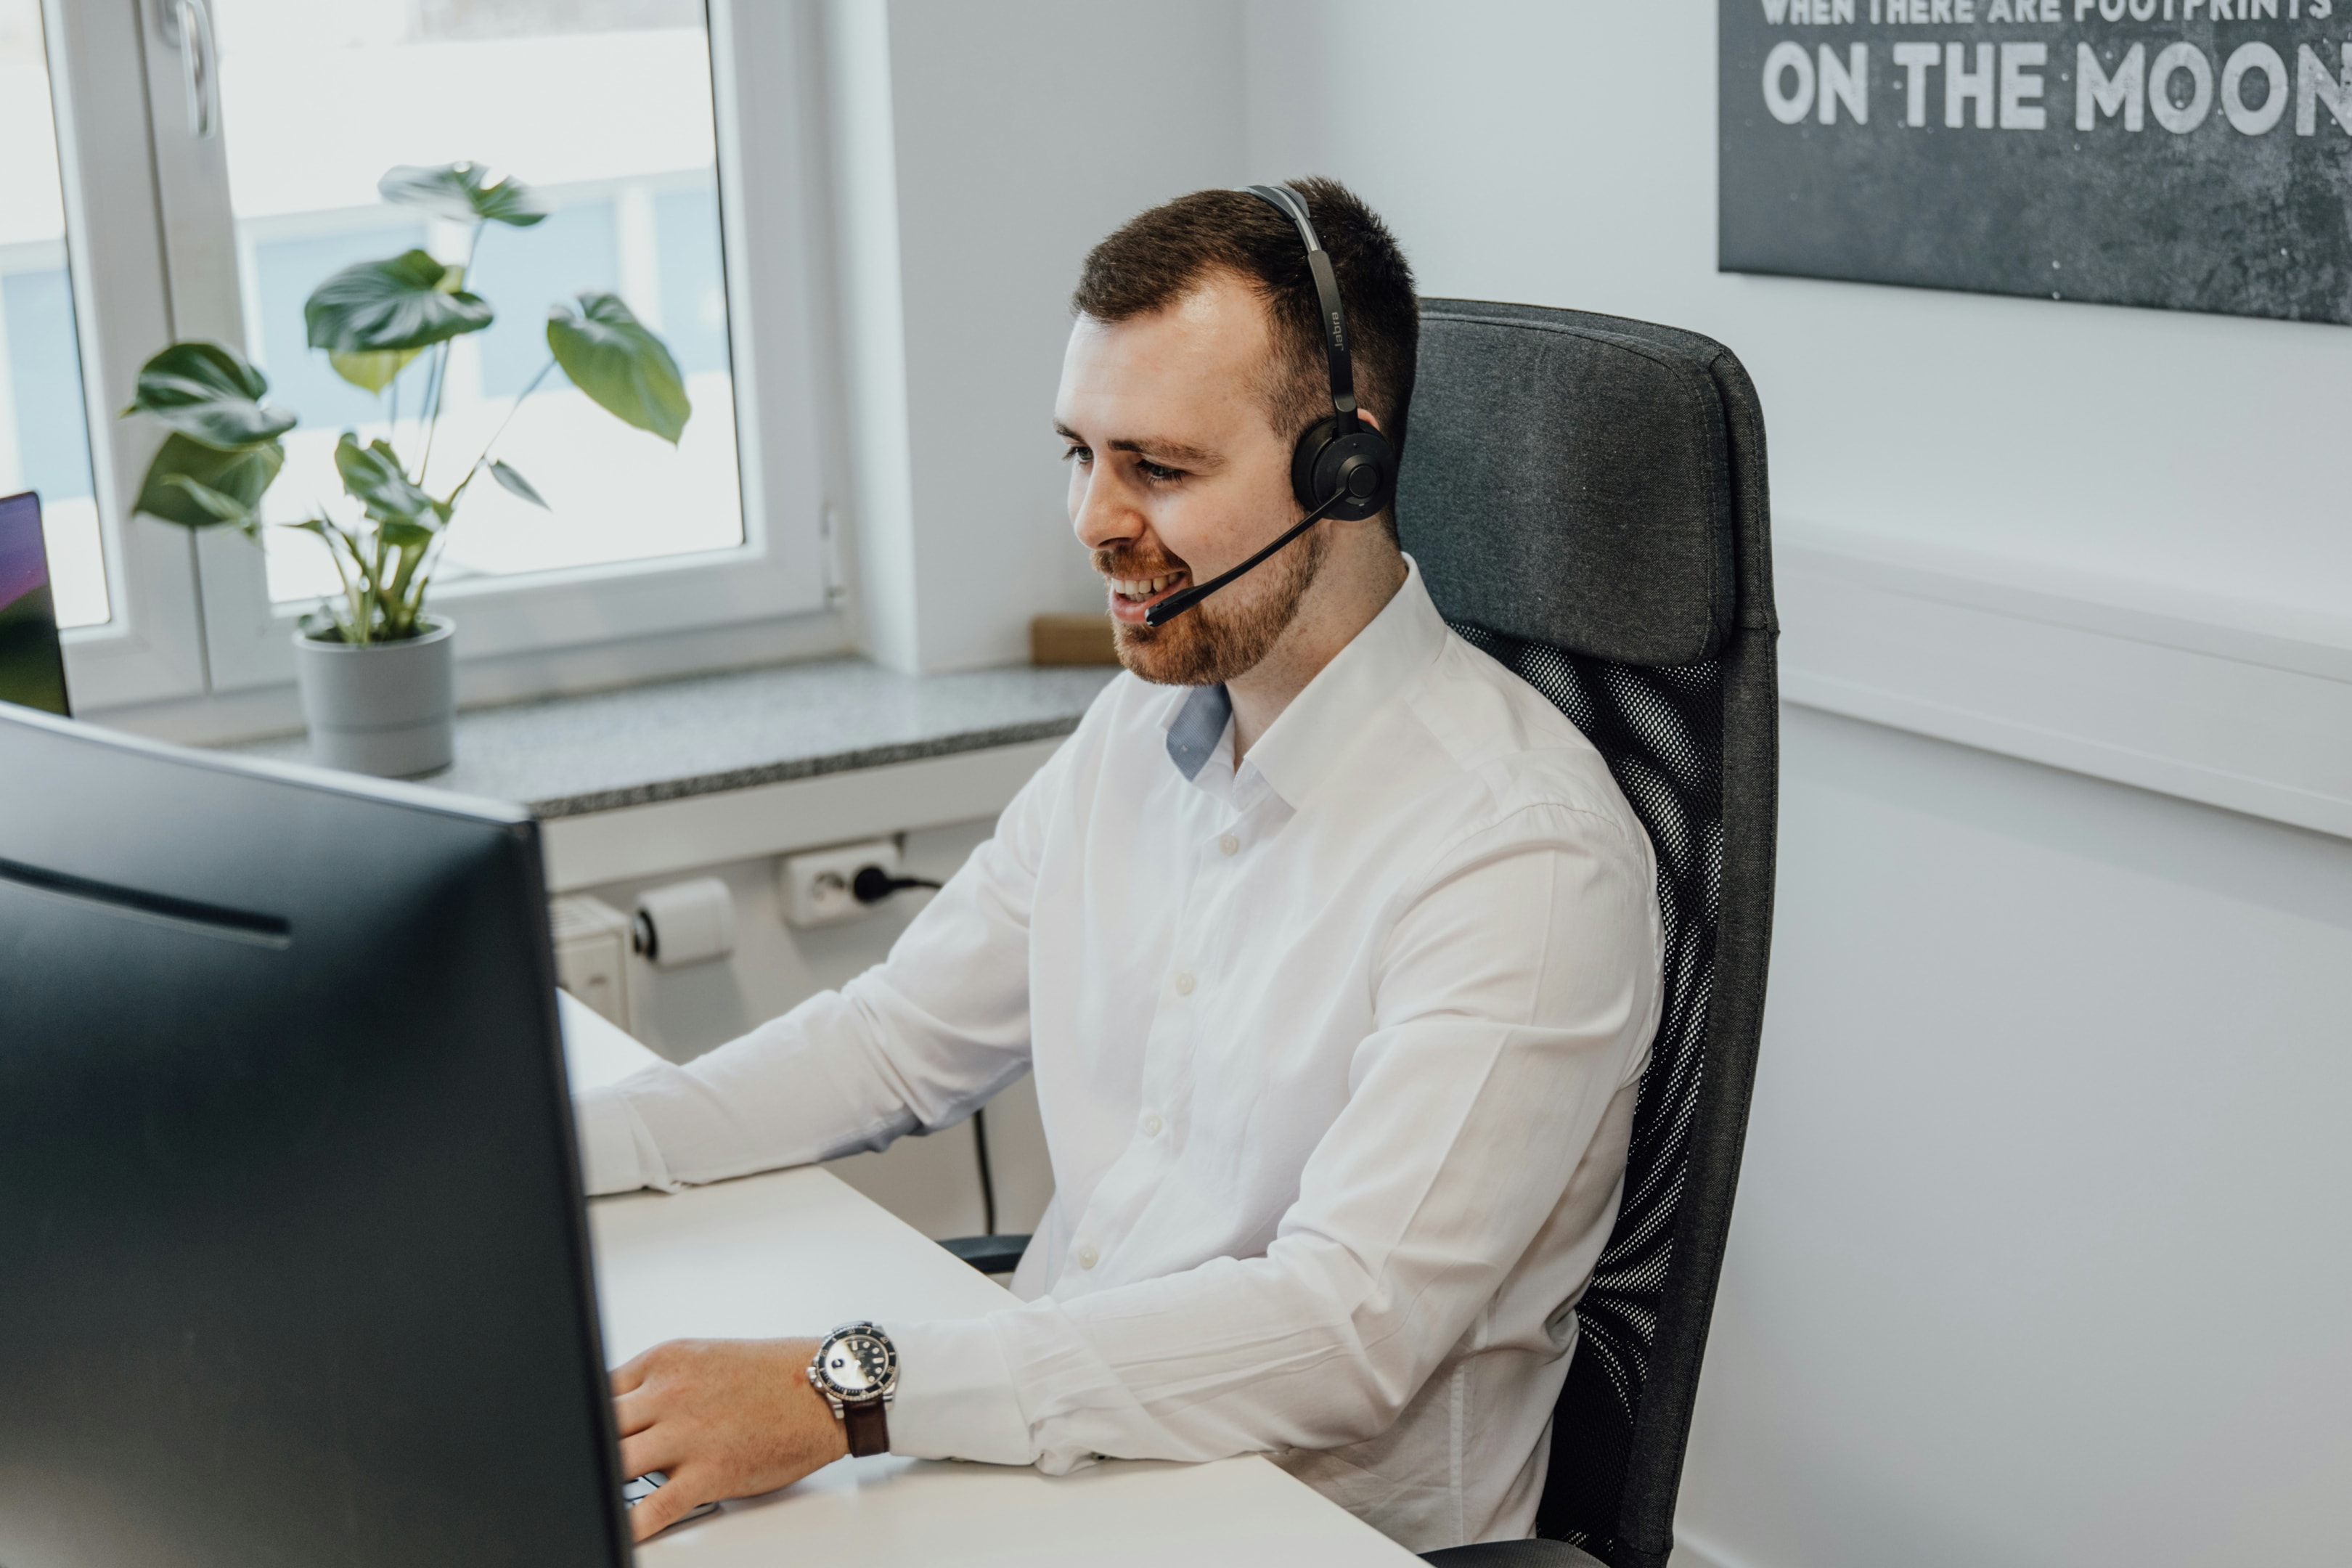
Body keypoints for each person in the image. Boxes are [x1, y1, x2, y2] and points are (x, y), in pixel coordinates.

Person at [576, 177, 1663, 1554]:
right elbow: (893, 1045)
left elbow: (1345, 1328)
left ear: (1346, 469)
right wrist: (569, 1152)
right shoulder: (1135, 729)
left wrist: (845, 1389)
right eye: (1078, 453)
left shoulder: (1523, 854)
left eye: (1158, 468)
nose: (1093, 519)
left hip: (1281, 1526)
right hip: (1049, 1467)